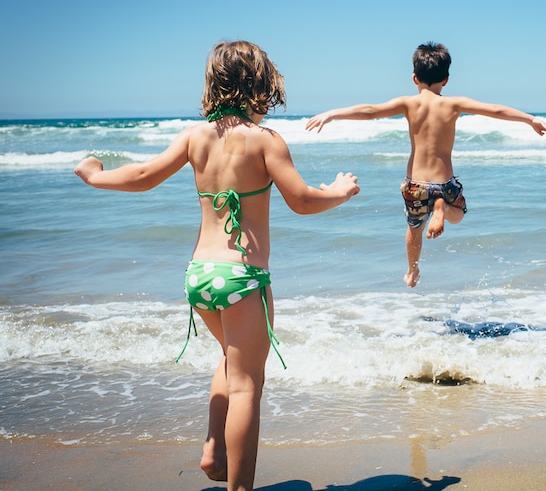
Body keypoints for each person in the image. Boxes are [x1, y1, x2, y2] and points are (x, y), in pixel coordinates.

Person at [74, 40, 360, 491]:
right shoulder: (266, 141)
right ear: (262, 85)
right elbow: (303, 201)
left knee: (229, 358)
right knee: (247, 384)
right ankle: (240, 487)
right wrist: (341, 191)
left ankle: (213, 448)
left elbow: (143, 177)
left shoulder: (195, 137)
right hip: (243, 277)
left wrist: (93, 175)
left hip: (199, 277)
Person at [305, 41, 546, 287]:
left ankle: (412, 271)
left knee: (414, 228)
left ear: (414, 78)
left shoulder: (409, 104)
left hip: (416, 185)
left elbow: (370, 111)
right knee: (459, 216)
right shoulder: (454, 104)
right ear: (446, 79)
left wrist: (332, 113)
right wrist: (531, 119)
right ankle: (441, 207)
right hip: (444, 184)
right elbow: (496, 110)